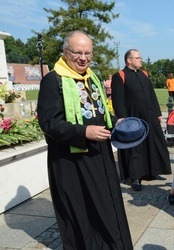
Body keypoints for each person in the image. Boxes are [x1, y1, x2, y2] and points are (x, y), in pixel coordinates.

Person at [37, 30, 132, 249]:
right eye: (78, 53)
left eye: (88, 53)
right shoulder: (53, 80)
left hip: (100, 154)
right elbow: (49, 122)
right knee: (84, 210)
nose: (84, 58)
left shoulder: (92, 76)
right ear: (65, 52)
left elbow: (96, 112)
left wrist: (115, 121)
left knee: (108, 204)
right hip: (72, 160)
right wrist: (83, 132)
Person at [111, 49, 171, 191]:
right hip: (132, 118)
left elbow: (152, 94)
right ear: (129, 60)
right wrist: (122, 119)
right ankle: (135, 177)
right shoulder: (120, 76)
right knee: (135, 148)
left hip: (150, 116)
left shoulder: (144, 74)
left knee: (154, 143)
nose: (141, 60)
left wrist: (157, 112)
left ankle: (153, 170)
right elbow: (118, 100)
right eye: (138, 58)